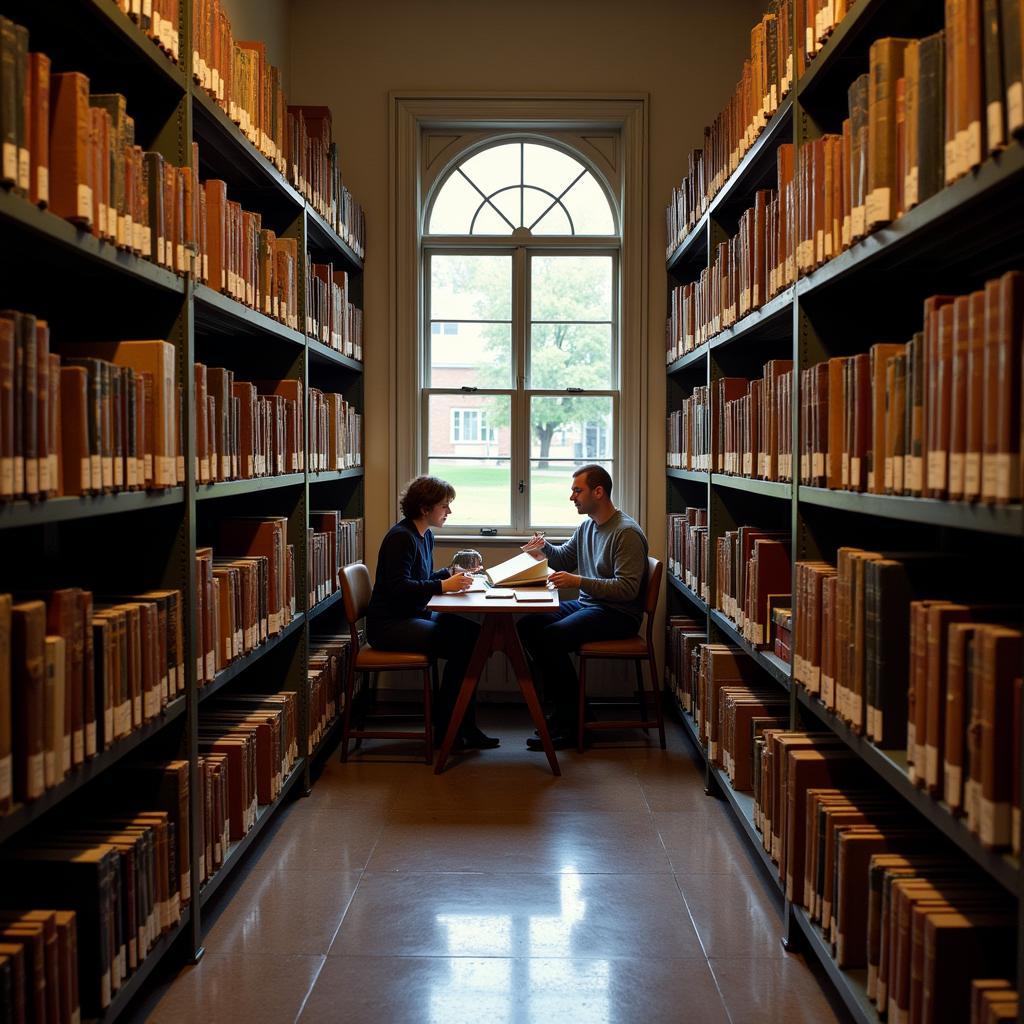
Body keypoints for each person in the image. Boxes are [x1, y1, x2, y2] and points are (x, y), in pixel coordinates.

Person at [516, 464, 648, 750]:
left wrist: (578, 580)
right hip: (590, 605)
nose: (572, 497)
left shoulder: (626, 533)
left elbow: (627, 589)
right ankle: (569, 712)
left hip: (617, 613)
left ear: (598, 492)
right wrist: (544, 548)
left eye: (578, 490)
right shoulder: (588, 525)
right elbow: (563, 559)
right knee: (527, 625)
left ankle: (571, 723)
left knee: (550, 639)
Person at [366, 475, 499, 750]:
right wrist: (442, 584)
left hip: (413, 615)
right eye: (444, 506)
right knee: (467, 645)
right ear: (425, 508)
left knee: (476, 636)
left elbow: (420, 577)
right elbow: (398, 588)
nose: (449, 512)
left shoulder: (423, 535)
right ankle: (451, 729)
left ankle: (459, 725)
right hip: (390, 625)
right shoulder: (401, 538)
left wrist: (449, 574)